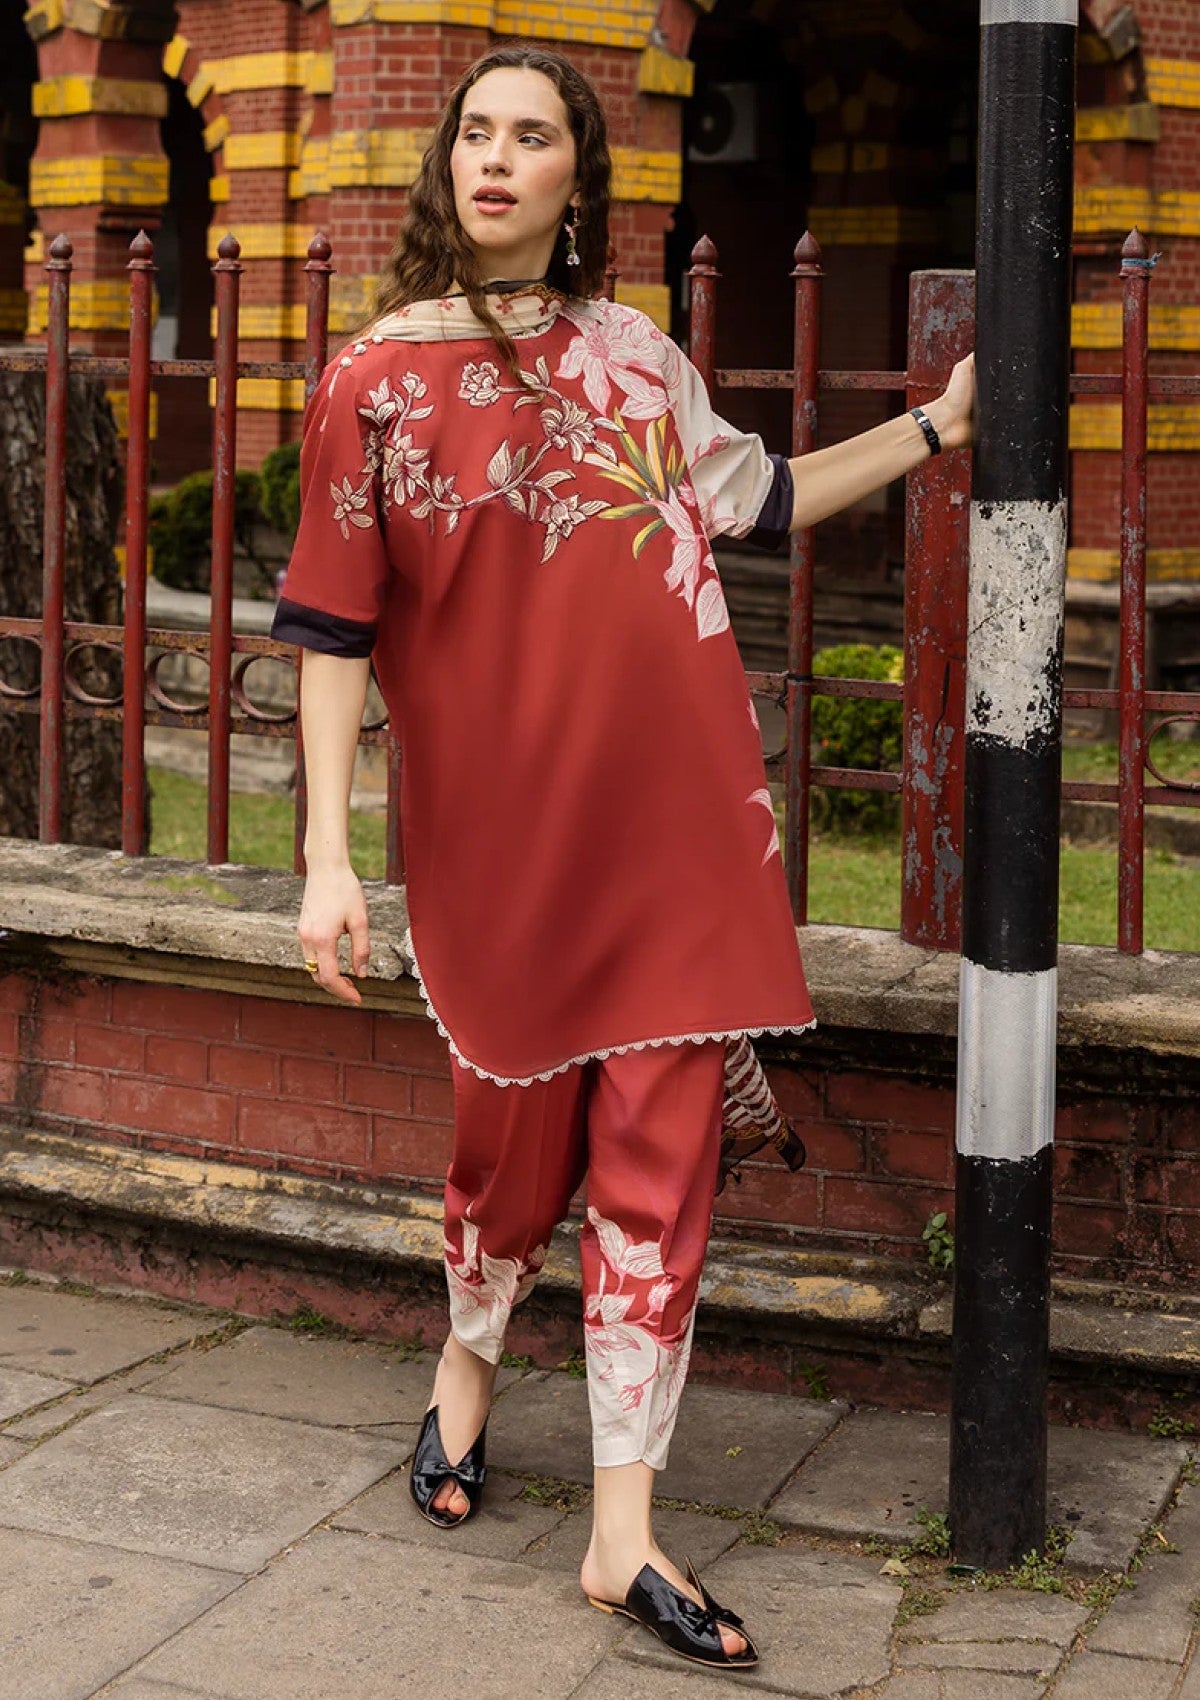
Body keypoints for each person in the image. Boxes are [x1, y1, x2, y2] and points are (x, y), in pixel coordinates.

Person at [271, 42, 975, 1671]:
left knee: (663, 1165)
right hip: (499, 844)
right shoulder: (372, 380)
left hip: (677, 828)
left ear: (578, 180)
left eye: (531, 136)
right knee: (510, 1161)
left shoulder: (638, 360)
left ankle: (622, 1533)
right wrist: (328, 858)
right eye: (475, 133)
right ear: (446, 163)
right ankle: (466, 1368)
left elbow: (765, 495)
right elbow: (329, 631)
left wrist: (936, 433)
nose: (494, 158)